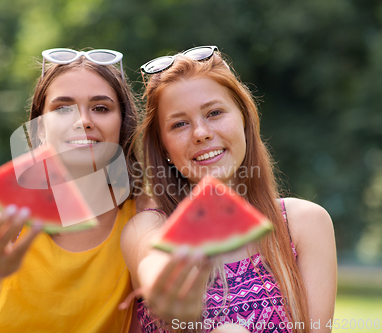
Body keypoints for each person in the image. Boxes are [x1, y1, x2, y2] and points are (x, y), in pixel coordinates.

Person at [121, 46, 337, 332]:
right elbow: (153, 265)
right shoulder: (148, 227)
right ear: (164, 147)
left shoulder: (305, 223)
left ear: (245, 119)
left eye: (214, 112)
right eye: (180, 124)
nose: (201, 133)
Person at [0, 48, 145, 332]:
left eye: (101, 108)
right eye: (62, 108)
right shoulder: (6, 195)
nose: (83, 120)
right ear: (40, 128)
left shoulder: (141, 210)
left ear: (122, 123)